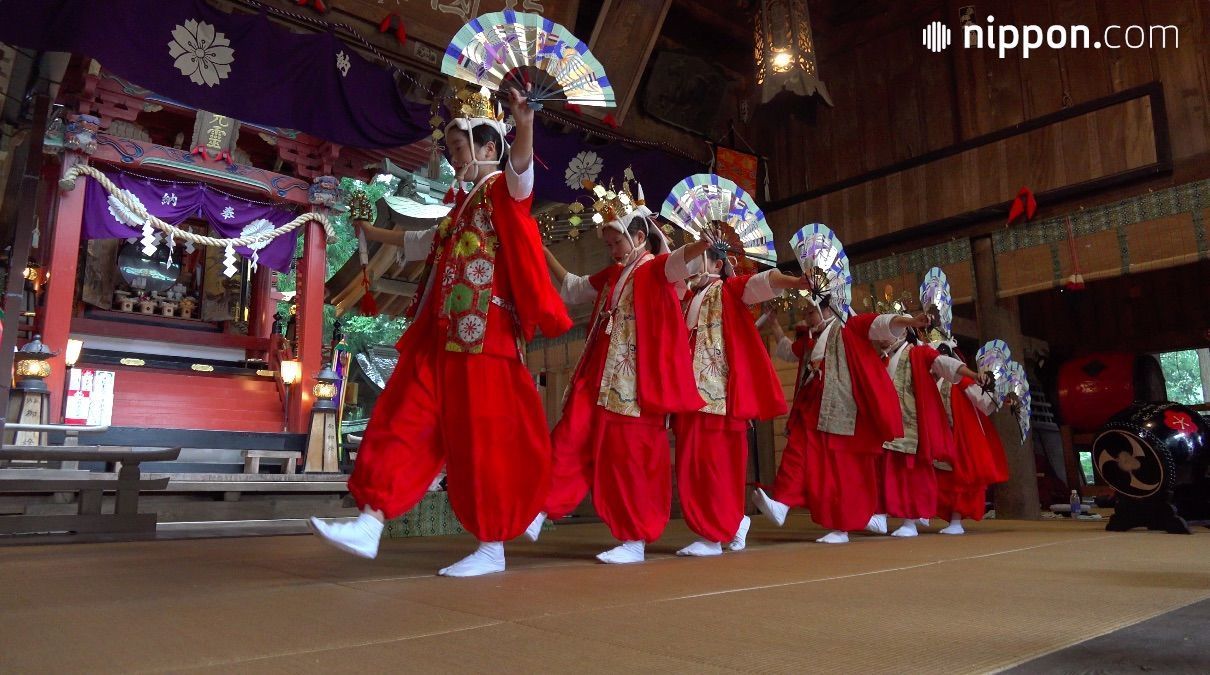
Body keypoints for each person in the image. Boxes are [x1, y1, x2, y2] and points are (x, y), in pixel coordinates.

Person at [308, 84, 572, 577]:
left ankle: (492, 544)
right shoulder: (459, 210)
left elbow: (522, 175)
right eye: (450, 151)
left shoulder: (500, 192)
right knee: (402, 414)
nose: (453, 160)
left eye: (460, 149)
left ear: (489, 147)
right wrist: (370, 233)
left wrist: (526, 122)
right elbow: (416, 240)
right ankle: (372, 517)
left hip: (484, 336)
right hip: (440, 334)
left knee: (483, 440)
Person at [527, 177, 713, 564]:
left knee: (630, 458)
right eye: (608, 244)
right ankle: (541, 506)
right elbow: (575, 287)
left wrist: (704, 243)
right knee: (570, 433)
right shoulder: (614, 274)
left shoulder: (658, 268)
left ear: (641, 235)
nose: (611, 250)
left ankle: (635, 538)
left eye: (617, 242)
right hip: (599, 374)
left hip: (636, 383)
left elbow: (682, 261)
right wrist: (542, 250)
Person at [672, 240, 805, 556]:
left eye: (698, 258)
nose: (691, 264)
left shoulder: (730, 290)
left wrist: (795, 281)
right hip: (690, 396)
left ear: (717, 265)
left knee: (717, 467)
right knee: (691, 466)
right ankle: (730, 524)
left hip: (719, 398)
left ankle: (715, 534)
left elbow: (764, 282)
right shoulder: (689, 297)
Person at [871, 324, 986, 538]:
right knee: (886, 473)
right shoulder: (883, 358)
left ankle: (910, 520)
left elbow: (944, 363)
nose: (884, 339)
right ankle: (884, 514)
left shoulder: (918, 353)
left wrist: (971, 374)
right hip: (890, 428)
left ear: (904, 333)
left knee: (911, 476)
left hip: (914, 429)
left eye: (889, 334)